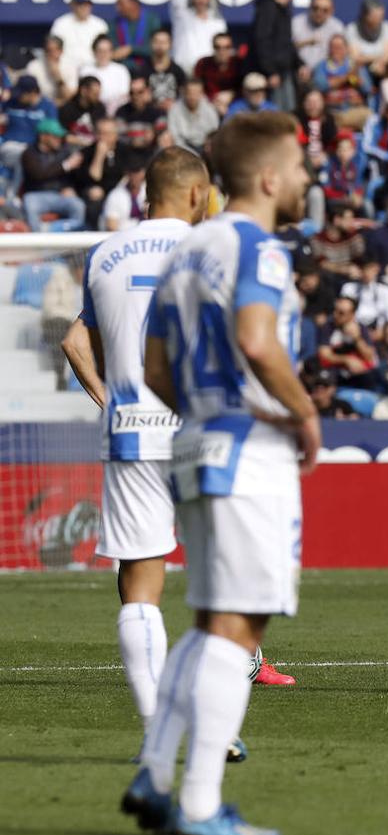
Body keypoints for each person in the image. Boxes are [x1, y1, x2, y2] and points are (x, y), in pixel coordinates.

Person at [122, 112, 317, 835]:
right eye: (296, 167)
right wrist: (302, 413)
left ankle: (155, 771)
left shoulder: (184, 249)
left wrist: (205, 412)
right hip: (249, 456)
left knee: (209, 624)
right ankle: (201, 803)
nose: (303, 178)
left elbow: (152, 370)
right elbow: (257, 340)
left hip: (194, 444)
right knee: (239, 627)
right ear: (267, 178)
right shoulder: (258, 246)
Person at [60, 147, 220, 762]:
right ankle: (212, 720)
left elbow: (75, 341)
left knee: (141, 583)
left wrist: (110, 399)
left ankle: (159, 725)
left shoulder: (104, 253)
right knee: (220, 584)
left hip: (132, 429)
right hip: (202, 430)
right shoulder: (211, 250)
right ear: (197, 193)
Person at [247, 0, 299, 112]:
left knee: (288, 112)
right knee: (275, 114)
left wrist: (299, 64)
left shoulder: (284, 11)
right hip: (273, 74)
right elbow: (262, 41)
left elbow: (286, 43)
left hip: (284, 71)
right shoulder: (268, 9)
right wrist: (270, 71)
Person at [170, 0, 229, 75]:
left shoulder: (218, 22)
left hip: (206, 72)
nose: (201, 0)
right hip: (183, 69)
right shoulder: (182, 16)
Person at [50, 0, 109, 69]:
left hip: (93, 69)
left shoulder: (100, 25)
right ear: (72, 5)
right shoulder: (60, 24)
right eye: (80, 4)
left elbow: (106, 51)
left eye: (87, 4)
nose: (84, 7)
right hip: (67, 69)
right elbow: (53, 50)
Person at [81, 34, 132, 114]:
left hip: (117, 112)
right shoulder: (85, 70)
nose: (103, 54)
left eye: (106, 51)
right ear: (94, 52)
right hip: (92, 111)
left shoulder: (121, 70)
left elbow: (124, 96)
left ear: (111, 52)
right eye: (100, 51)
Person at [25, 35, 78, 105]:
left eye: (55, 50)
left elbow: (70, 96)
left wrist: (58, 78)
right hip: (40, 106)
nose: (51, 54)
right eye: (48, 50)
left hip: (63, 105)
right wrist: (49, 106)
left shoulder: (70, 66)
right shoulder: (33, 66)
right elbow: (28, 95)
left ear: (61, 51)